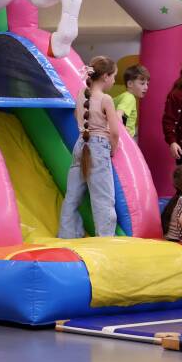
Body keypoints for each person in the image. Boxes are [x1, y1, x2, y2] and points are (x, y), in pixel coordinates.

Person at [58, 56, 121, 238]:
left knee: (72, 196)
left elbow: (78, 114)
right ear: (105, 77)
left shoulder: (81, 94)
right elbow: (115, 132)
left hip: (81, 144)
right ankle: (105, 238)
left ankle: (67, 235)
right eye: (114, 76)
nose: (115, 80)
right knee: (103, 197)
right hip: (99, 146)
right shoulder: (106, 99)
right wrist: (113, 149)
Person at [114, 64, 150, 140]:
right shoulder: (129, 98)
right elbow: (119, 115)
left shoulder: (123, 97)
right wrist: (122, 130)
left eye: (147, 84)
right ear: (130, 84)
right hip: (124, 140)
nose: (146, 87)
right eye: (142, 83)